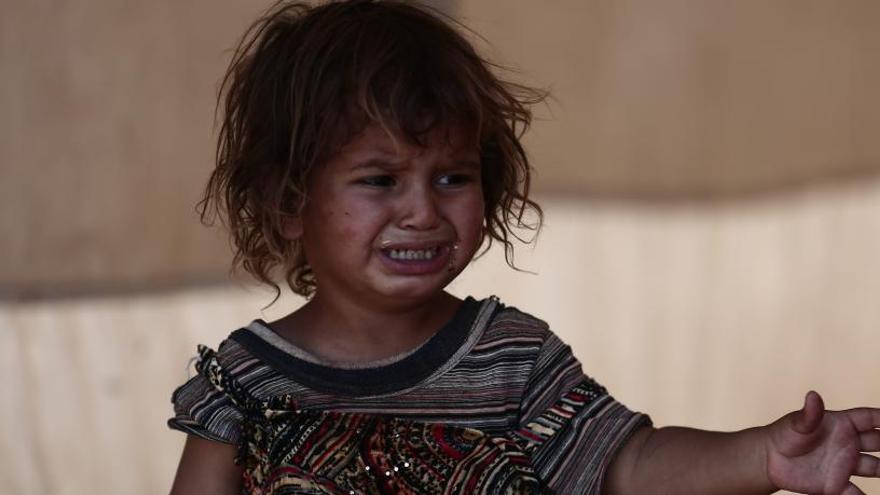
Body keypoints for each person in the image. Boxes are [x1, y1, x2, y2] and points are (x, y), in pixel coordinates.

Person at [168, 1, 880, 493]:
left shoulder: (511, 357)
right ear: (289, 201)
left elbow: (626, 468)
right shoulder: (244, 382)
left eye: (453, 176)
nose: (423, 210)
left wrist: (761, 453)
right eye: (380, 179)